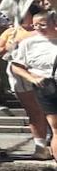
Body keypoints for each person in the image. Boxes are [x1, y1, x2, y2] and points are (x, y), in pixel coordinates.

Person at [0, 3, 53, 158]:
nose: (19, 16)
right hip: (20, 72)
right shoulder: (11, 32)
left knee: (51, 110)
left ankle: (51, 142)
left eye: (22, 13)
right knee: (34, 111)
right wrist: (11, 45)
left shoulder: (45, 28)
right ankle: (40, 147)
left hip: (45, 71)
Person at [9, 10, 57, 162]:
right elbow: (16, 66)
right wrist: (32, 78)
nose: (38, 28)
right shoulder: (28, 42)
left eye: (42, 24)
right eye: (35, 25)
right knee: (56, 127)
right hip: (47, 86)